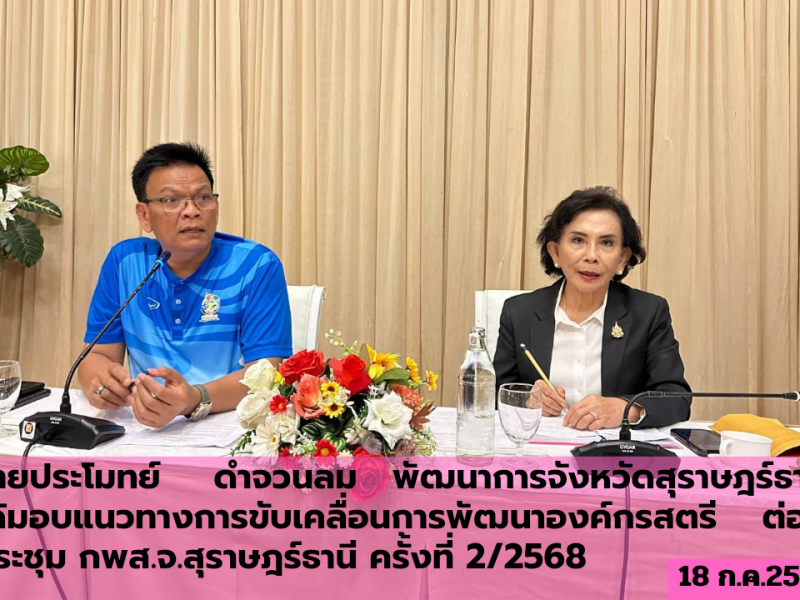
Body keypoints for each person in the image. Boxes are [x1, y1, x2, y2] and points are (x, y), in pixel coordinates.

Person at [77, 142, 293, 427]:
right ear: (144, 215)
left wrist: (194, 398)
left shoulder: (256, 265)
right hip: (146, 426)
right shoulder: (125, 262)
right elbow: (98, 354)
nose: (192, 211)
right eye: (171, 200)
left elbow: (267, 371)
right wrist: (101, 383)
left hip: (230, 423)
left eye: (203, 197)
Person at [494, 186, 691, 430]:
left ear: (622, 258)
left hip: (614, 449)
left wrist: (623, 409)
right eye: (578, 240)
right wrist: (526, 398)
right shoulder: (519, 313)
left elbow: (676, 398)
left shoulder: (648, 312)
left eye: (606, 242)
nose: (591, 256)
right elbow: (495, 392)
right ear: (555, 252)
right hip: (541, 446)